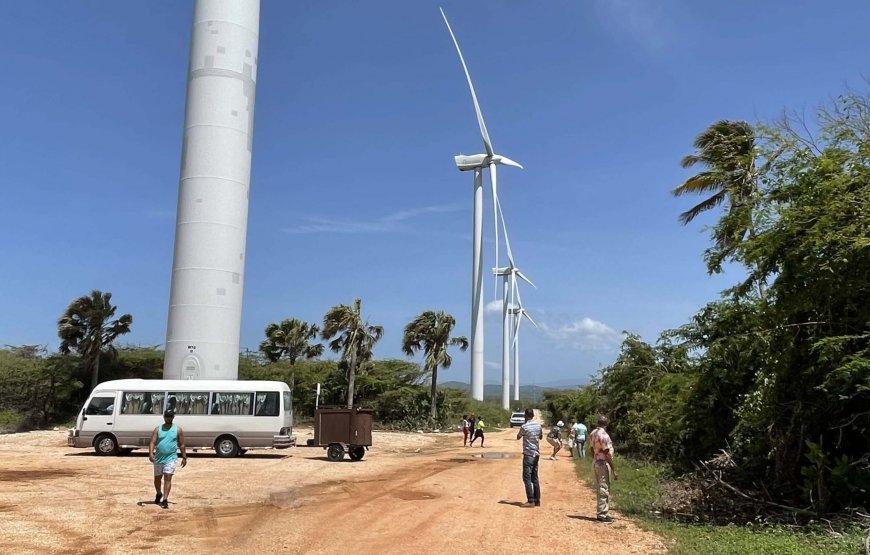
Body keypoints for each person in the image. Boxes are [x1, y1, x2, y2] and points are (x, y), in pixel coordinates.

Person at [149, 409, 188, 509]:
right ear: (164, 417)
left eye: (170, 416)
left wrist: (184, 456)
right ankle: (159, 493)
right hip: (158, 458)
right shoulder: (158, 429)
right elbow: (152, 442)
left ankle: (165, 499)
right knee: (157, 479)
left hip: (171, 458)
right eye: (167, 416)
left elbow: (182, 444)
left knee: (168, 476)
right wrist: (150, 453)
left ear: (173, 417)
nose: (168, 418)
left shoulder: (178, 430)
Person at [589, 415, 617, 523]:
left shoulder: (593, 433)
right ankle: (602, 514)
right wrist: (614, 469)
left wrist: (595, 457)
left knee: (601, 486)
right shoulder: (603, 435)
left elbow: (592, 448)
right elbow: (607, 453)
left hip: (596, 462)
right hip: (603, 463)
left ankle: (603, 512)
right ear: (606, 423)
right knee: (604, 488)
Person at [516, 408, 542, 507]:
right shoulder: (538, 425)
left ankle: (530, 500)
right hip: (536, 454)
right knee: (535, 477)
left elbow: (518, 436)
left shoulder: (524, 426)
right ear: (533, 415)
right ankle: (537, 500)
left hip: (528, 454)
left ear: (525, 415)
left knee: (527, 478)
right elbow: (540, 437)